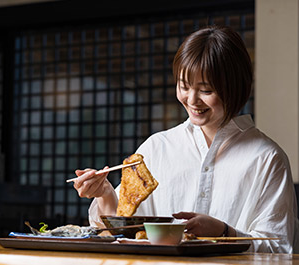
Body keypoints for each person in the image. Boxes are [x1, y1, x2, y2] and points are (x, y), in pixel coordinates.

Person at [72, 25, 299, 253]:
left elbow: (279, 248)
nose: (192, 100)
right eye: (184, 86)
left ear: (234, 88)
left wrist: (223, 231)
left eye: (206, 90)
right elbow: (120, 231)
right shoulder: (156, 148)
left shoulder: (267, 158)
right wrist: (104, 193)